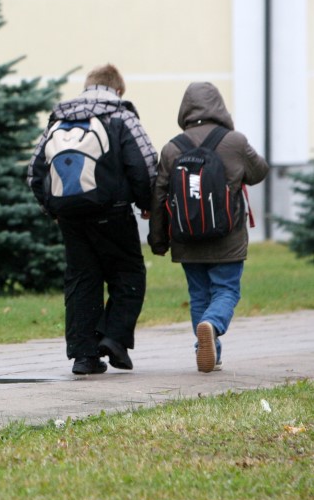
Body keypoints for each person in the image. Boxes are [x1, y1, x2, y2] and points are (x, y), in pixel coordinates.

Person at [27, 64, 157, 376]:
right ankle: (113, 338)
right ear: (119, 89)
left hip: (71, 217)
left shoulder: (59, 119)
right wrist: (146, 204)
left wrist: (53, 209)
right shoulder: (121, 116)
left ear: (87, 87)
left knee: (81, 280)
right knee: (129, 274)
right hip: (113, 212)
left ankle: (84, 357)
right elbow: (145, 164)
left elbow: (34, 171)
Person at [147, 82, 269, 373]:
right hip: (228, 237)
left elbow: (159, 196)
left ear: (185, 109)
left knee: (199, 294)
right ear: (219, 107)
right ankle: (212, 326)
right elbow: (260, 171)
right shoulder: (234, 141)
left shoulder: (172, 147)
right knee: (226, 291)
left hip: (186, 238)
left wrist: (158, 241)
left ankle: (208, 347)